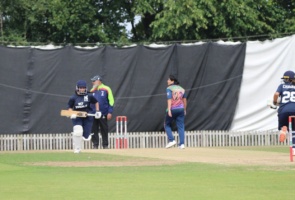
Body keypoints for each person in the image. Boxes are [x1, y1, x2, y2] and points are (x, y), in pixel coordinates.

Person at [67, 80, 101, 153]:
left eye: (83, 88)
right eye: (80, 88)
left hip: (88, 116)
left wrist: (97, 111)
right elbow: (69, 107)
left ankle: (81, 139)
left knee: (86, 137)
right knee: (78, 131)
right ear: (77, 88)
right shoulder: (73, 97)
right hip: (77, 116)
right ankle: (77, 148)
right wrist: (71, 113)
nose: (82, 89)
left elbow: (96, 102)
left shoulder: (89, 96)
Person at [272, 70, 295, 154]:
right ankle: (294, 149)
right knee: (294, 131)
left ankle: (283, 129)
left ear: (286, 79)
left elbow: (276, 94)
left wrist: (275, 102)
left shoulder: (282, 85)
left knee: (283, 126)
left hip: (283, 110)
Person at [90, 75, 115, 149]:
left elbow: (111, 100)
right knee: (93, 129)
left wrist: (110, 112)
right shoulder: (92, 90)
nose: (92, 82)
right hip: (93, 113)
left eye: (94, 81)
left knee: (104, 128)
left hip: (103, 113)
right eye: (92, 81)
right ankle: (95, 144)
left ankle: (105, 145)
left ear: (99, 81)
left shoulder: (106, 89)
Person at [164, 75, 187, 149]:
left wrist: (169, 109)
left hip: (173, 109)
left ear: (172, 81)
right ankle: (182, 144)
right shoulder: (181, 89)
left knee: (166, 124)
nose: (167, 81)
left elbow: (169, 99)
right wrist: (185, 109)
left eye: (168, 80)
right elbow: (184, 100)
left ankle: (172, 140)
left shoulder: (169, 88)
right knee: (181, 126)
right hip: (181, 109)